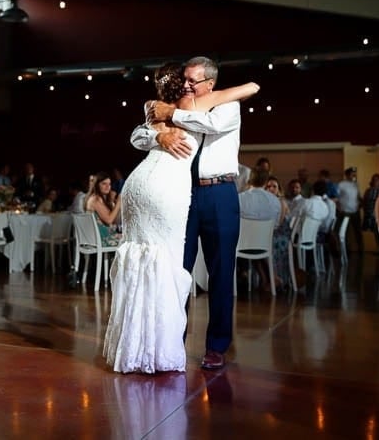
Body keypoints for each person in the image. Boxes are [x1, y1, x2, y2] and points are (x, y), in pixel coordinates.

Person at [103, 60, 259, 374]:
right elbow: (137, 135)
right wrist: (159, 136)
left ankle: (216, 347)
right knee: (176, 270)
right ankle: (172, 340)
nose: (187, 86)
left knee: (220, 272)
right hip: (181, 196)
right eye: (185, 80)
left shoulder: (227, 107)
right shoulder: (174, 106)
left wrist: (170, 114)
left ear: (211, 83)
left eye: (193, 81)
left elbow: (209, 125)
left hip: (219, 194)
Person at [85, 171, 122, 247]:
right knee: (129, 241)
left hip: (98, 237)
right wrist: (119, 202)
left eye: (109, 184)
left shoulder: (99, 199)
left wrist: (112, 202)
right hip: (101, 239)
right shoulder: (95, 200)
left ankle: (114, 259)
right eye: (104, 183)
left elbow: (115, 221)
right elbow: (109, 220)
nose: (107, 186)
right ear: (97, 185)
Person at [361, 173, 379, 248]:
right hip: (368, 213)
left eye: (377, 180)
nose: (375, 182)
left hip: (377, 214)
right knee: (366, 230)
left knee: (377, 231)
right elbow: (364, 201)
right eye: (374, 180)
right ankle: (367, 247)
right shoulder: (368, 190)